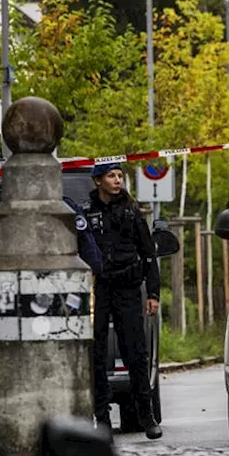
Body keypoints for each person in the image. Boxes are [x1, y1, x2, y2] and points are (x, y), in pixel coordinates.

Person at [83, 162, 162, 440]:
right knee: (97, 355)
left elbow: (149, 254)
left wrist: (153, 293)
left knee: (136, 353)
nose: (117, 181)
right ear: (97, 181)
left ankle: (147, 417)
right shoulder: (86, 213)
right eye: (111, 176)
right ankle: (101, 419)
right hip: (100, 289)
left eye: (119, 176)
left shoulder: (131, 212)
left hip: (128, 287)